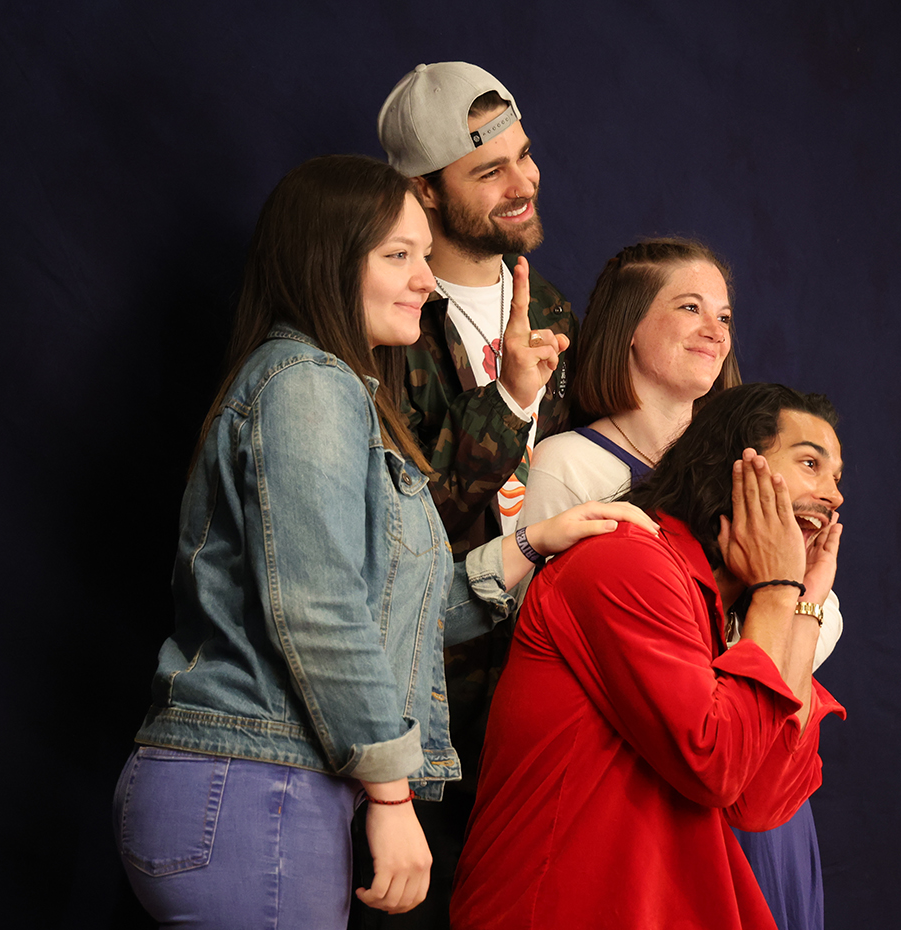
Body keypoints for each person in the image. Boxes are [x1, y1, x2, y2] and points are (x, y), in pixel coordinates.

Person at [112, 154, 655, 929]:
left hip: (258, 785)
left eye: (423, 258)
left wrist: (533, 545)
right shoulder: (307, 385)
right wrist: (392, 796)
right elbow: (320, 611)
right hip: (253, 780)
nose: (425, 281)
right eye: (396, 256)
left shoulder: (337, 390)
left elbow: (395, 613)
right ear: (325, 263)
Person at [518, 240, 843, 930]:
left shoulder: (751, 475)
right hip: (651, 785)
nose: (715, 330)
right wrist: (774, 601)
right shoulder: (589, 495)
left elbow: (813, 628)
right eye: (689, 307)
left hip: (739, 755)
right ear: (627, 325)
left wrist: (788, 600)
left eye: (724, 315)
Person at [452, 383, 848, 930]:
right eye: (810, 463)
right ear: (732, 466)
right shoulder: (627, 562)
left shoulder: (719, 612)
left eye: (837, 479)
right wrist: (779, 591)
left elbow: (760, 800)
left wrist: (801, 603)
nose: (834, 497)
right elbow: (715, 764)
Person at [370, 61, 576, 927]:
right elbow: (402, 542)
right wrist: (510, 404)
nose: (523, 184)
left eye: (525, 157)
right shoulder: (386, 325)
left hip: (543, 723)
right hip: (426, 733)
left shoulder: (559, 308)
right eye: (488, 170)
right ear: (423, 189)